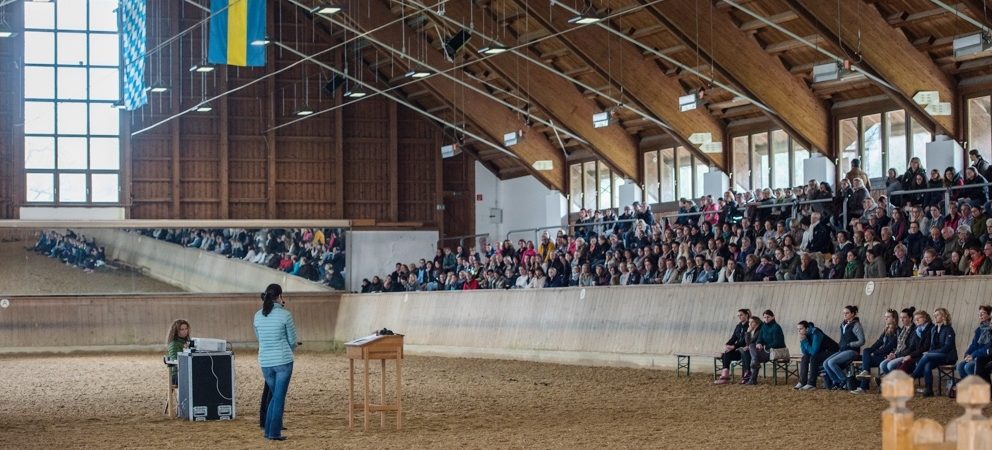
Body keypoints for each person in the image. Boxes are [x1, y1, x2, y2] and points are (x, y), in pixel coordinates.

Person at [254, 283, 298, 441]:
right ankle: (273, 433)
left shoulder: (258, 315)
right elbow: (293, 340)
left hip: (265, 361)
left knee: (275, 396)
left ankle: (268, 430)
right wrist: (289, 349)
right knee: (278, 397)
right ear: (279, 296)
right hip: (283, 361)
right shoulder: (285, 315)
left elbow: (259, 338)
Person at [910, 307, 956, 397]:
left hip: (948, 357)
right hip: (936, 356)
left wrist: (930, 353)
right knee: (927, 364)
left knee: (926, 356)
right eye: (934, 315)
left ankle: (913, 376)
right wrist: (931, 353)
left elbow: (947, 347)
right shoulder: (933, 329)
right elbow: (931, 346)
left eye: (937, 315)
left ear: (943, 316)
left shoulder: (949, 329)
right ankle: (929, 389)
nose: (935, 317)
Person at [852, 309, 898, 394]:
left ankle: (863, 387)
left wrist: (875, 353)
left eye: (888, 317)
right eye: (885, 317)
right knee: (866, 351)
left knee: (867, 361)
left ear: (894, 318)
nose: (886, 319)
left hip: (887, 357)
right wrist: (871, 351)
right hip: (880, 355)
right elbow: (878, 342)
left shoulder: (897, 331)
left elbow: (889, 347)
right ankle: (865, 373)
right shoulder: (886, 330)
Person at [823, 305, 865, 390]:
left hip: (852, 351)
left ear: (853, 314)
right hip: (842, 350)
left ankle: (844, 381)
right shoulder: (843, 325)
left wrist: (850, 344)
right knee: (825, 363)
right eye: (844, 313)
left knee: (831, 362)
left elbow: (862, 341)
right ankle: (837, 382)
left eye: (847, 313)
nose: (845, 315)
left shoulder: (856, 325)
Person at [741, 310, 787, 385]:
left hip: (774, 351)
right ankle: (753, 375)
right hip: (765, 351)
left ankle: (753, 380)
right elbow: (759, 338)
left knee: (753, 357)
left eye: (768, 317)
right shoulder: (764, 327)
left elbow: (778, 342)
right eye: (764, 317)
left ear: (773, 317)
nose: (766, 319)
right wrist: (759, 343)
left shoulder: (776, 327)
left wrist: (765, 346)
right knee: (752, 347)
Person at [796, 320, 839, 391]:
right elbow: (805, 353)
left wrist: (805, 341)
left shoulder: (816, 333)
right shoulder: (806, 335)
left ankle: (811, 384)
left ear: (807, 329)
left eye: (801, 329)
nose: (799, 331)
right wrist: (802, 341)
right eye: (798, 329)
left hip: (834, 352)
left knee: (814, 357)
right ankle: (802, 382)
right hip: (823, 352)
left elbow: (813, 352)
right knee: (804, 358)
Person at [956, 305, 992, 381]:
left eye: (983, 313)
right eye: (979, 314)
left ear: (989, 315)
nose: (980, 315)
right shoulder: (979, 329)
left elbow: (987, 348)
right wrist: (967, 354)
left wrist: (973, 355)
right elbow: (974, 345)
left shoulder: (990, 329)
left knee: (968, 367)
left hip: (986, 356)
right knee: (960, 366)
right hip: (977, 355)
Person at [714, 309, 750, 385]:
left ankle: (725, 377)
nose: (739, 317)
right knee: (726, 353)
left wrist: (734, 346)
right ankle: (725, 376)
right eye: (738, 315)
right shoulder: (738, 326)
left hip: (746, 350)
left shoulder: (749, 325)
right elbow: (733, 338)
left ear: (746, 315)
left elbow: (744, 340)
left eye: (741, 315)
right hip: (738, 350)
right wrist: (727, 345)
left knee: (727, 353)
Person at [879, 307, 918, 376]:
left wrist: (896, 355)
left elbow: (911, 347)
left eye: (904, 317)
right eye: (900, 317)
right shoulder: (903, 329)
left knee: (890, 365)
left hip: (907, 355)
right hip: (898, 353)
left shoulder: (914, 330)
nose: (902, 320)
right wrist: (892, 353)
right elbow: (897, 345)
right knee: (882, 365)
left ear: (910, 318)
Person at [165, 319, 191, 385]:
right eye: (181, 329)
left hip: (187, 372)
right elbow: (175, 361)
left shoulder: (189, 342)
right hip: (177, 375)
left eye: (186, 329)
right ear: (176, 331)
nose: (185, 331)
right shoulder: (173, 344)